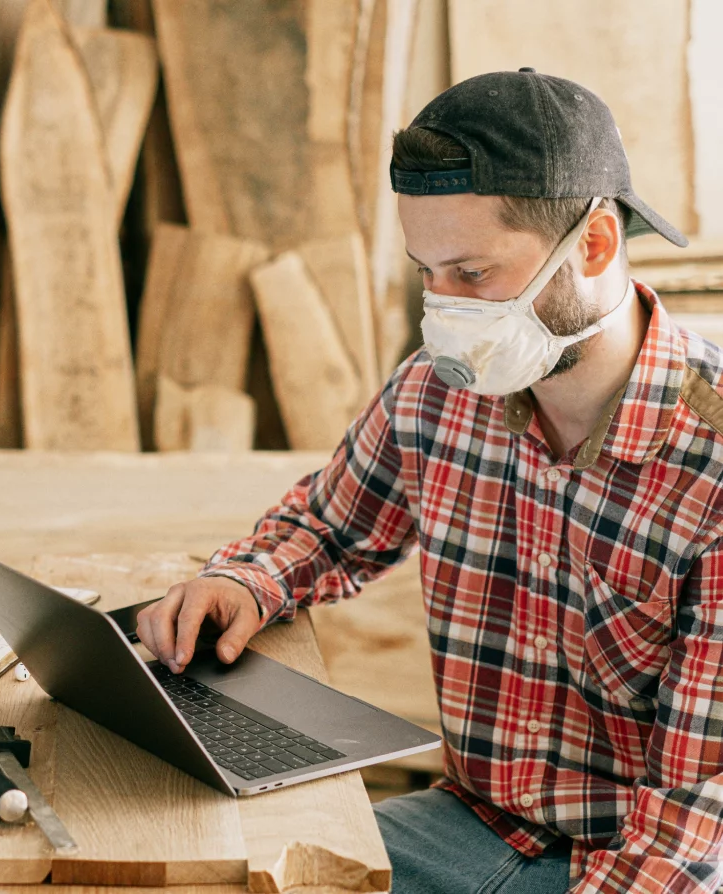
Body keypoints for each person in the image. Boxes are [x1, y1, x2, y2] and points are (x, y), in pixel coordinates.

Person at [136, 69, 723, 893]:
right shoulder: (441, 390)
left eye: (473, 275)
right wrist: (246, 581)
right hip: (472, 821)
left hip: (650, 862)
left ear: (594, 244)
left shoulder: (712, 469)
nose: (444, 310)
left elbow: (692, 822)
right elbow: (331, 528)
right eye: (426, 273)